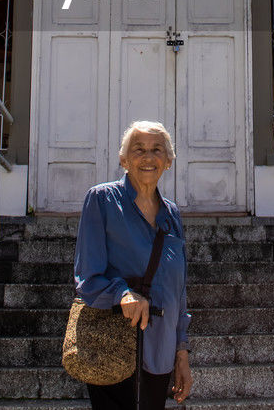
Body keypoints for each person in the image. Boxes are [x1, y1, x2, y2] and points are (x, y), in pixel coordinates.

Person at [73, 121, 193, 408]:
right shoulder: (102, 200)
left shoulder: (171, 214)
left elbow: (178, 292)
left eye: (157, 150)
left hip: (160, 350)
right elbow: (87, 277)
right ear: (123, 159)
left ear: (168, 161)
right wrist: (122, 294)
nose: (148, 157)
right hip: (113, 346)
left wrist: (182, 352)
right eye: (138, 150)